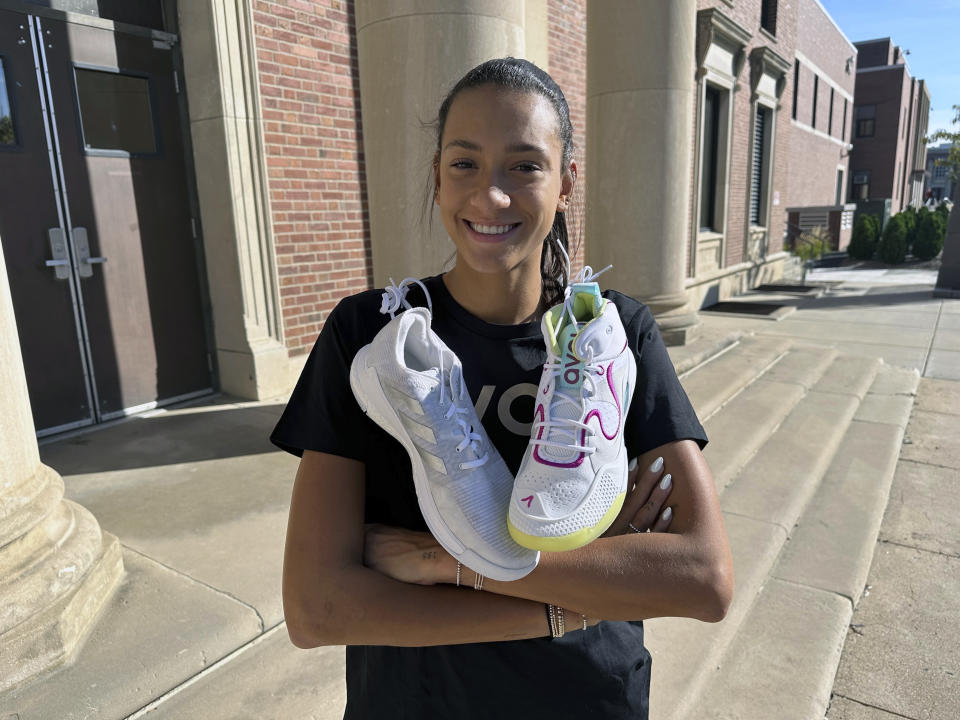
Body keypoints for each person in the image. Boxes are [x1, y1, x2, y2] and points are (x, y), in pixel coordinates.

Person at [271, 57, 734, 719]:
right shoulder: (371, 338)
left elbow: (703, 580)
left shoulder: (614, 329)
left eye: (525, 165)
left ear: (565, 181)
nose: (490, 197)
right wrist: (574, 604)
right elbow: (317, 609)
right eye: (464, 164)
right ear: (436, 177)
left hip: (588, 700)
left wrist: (444, 561)